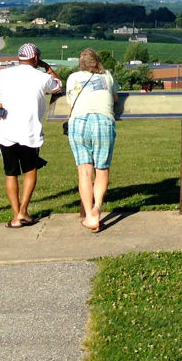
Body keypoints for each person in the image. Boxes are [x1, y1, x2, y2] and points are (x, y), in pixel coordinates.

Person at [0, 43, 62, 228]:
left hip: (6, 131)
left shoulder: (4, 74)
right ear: (36, 58)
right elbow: (58, 87)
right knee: (30, 170)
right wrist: (47, 67)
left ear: (19, 57)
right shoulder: (41, 77)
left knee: (10, 173)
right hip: (30, 132)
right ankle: (23, 212)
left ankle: (15, 216)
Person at [66, 48, 119, 232]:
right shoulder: (107, 76)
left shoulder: (72, 78)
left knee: (84, 172)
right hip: (103, 121)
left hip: (79, 122)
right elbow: (115, 98)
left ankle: (89, 215)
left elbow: (70, 103)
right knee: (102, 169)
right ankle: (97, 208)